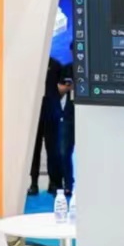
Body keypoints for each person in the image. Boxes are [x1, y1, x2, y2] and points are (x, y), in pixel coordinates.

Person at [28, 57, 64, 196]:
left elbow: (62, 87)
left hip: (51, 111)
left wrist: (54, 99)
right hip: (33, 112)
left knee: (53, 149)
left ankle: (53, 183)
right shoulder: (31, 65)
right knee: (33, 149)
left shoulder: (56, 65)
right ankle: (33, 183)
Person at [42, 63, 75, 196]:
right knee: (53, 151)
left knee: (65, 152)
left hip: (68, 116)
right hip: (53, 115)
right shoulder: (54, 69)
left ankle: (68, 183)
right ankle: (56, 183)